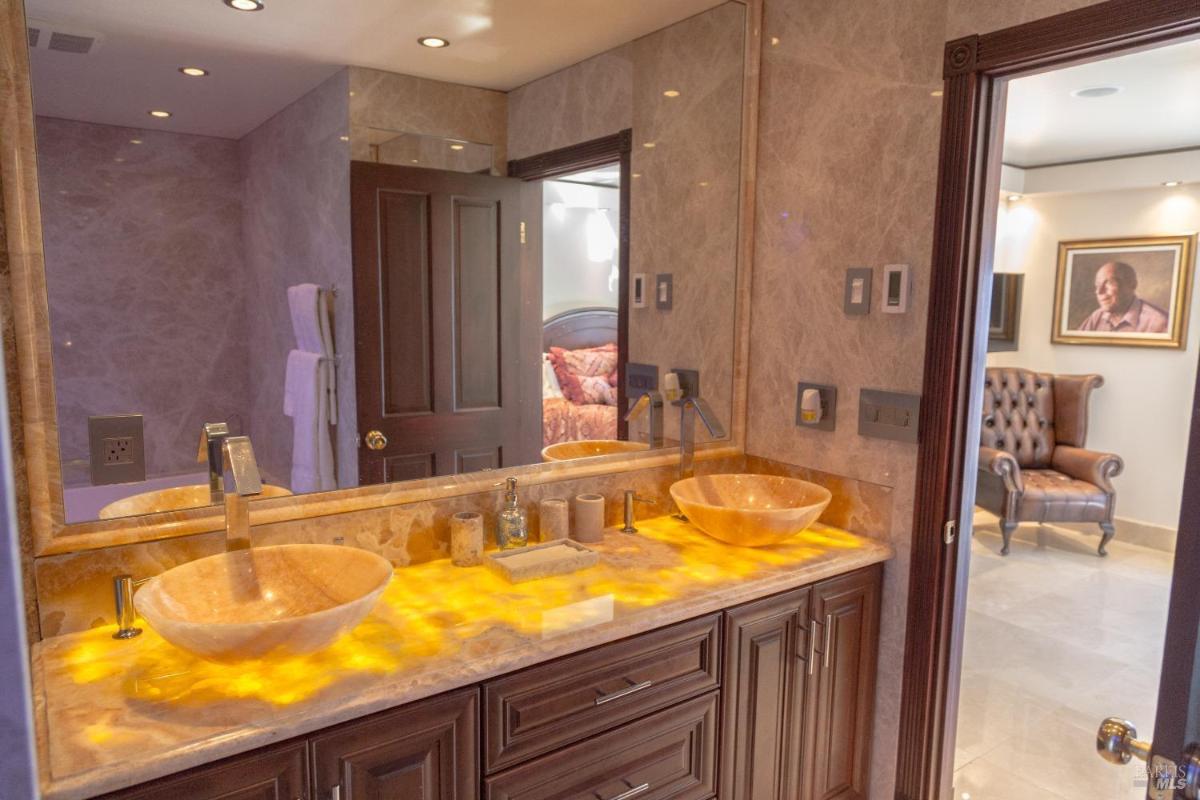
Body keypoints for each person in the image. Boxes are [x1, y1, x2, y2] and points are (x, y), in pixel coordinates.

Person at [1077, 260, 1169, 333]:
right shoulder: (1097, 316)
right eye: (1097, 285)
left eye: (1109, 283)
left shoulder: (1160, 322)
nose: (1099, 291)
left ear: (1132, 285)